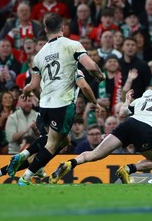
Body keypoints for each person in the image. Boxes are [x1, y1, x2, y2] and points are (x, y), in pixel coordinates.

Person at [8, 13, 104, 186]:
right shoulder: (72, 45)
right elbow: (91, 66)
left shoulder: (39, 55)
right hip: (63, 102)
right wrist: (100, 75)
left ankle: (23, 155)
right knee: (53, 144)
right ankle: (26, 178)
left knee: (56, 140)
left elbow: (33, 85)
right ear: (63, 28)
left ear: (45, 30)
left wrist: (26, 91)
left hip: (44, 104)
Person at [48, 89, 152, 184]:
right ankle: (127, 169)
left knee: (96, 154)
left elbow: (122, 112)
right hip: (144, 129)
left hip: (128, 124)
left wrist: (126, 100)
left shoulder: (139, 101)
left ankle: (70, 163)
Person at [0, 68, 100, 184]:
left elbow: (32, 87)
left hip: (43, 110)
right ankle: (26, 172)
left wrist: (40, 98)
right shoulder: (74, 70)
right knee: (50, 145)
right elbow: (84, 86)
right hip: (60, 109)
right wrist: (95, 102)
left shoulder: (47, 67)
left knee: (64, 141)